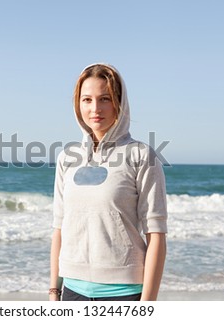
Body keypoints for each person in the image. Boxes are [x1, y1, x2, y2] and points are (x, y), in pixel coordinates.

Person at [49, 63, 168, 301]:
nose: (95, 109)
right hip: (72, 293)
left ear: (119, 103)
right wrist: (54, 291)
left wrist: (147, 306)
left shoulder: (142, 155)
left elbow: (156, 235)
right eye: (87, 100)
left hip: (123, 295)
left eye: (105, 98)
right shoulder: (67, 158)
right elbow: (60, 229)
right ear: (77, 104)